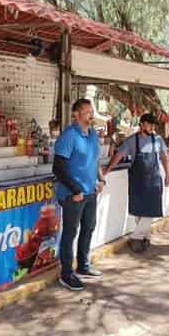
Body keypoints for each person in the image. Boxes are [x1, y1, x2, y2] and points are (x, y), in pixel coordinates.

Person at [53, 98, 106, 291]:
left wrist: (101, 180)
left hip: (90, 192)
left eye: (92, 111)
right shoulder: (69, 136)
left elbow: (95, 160)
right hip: (73, 195)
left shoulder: (92, 135)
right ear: (76, 114)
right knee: (70, 232)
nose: (91, 114)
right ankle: (66, 273)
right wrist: (75, 190)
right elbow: (58, 168)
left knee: (88, 228)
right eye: (87, 111)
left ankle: (83, 265)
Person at [104, 113, 169, 253]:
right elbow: (118, 156)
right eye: (150, 124)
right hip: (137, 181)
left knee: (151, 211)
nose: (153, 127)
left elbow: (164, 158)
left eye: (154, 124)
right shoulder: (131, 141)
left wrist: (168, 175)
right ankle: (145, 238)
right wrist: (107, 170)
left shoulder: (158, 140)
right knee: (138, 211)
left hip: (154, 181)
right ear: (142, 124)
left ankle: (135, 237)